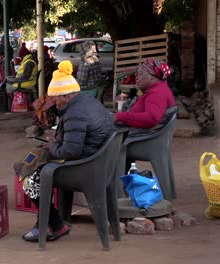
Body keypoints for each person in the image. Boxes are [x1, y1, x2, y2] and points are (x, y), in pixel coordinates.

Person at [16, 60, 114, 242]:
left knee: (31, 179)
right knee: (35, 163)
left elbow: (71, 151)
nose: (55, 102)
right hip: (97, 161)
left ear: (67, 96)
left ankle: (53, 224)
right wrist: (57, 142)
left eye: (56, 99)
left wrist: (53, 146)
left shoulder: (75, 113)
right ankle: (51, 223)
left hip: (84, 168)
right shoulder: (88, 101)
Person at [115, 58, 175, 129]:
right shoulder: (157, 88)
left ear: (152, 77)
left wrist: (118, 116)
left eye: (140, 74)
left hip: (138, 135)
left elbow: (151, 118)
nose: (137, 78)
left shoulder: (157, 93)